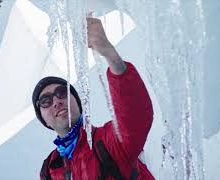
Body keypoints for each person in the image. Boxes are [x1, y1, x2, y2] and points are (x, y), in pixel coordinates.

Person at [32, 17, 154, 180]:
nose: (56, 101)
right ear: (43, 119)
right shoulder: (49, 171)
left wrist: (111, 56)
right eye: (46, 101)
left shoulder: (109, 142)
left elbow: (135, 117)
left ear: (77, 102)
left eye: (62, 92)